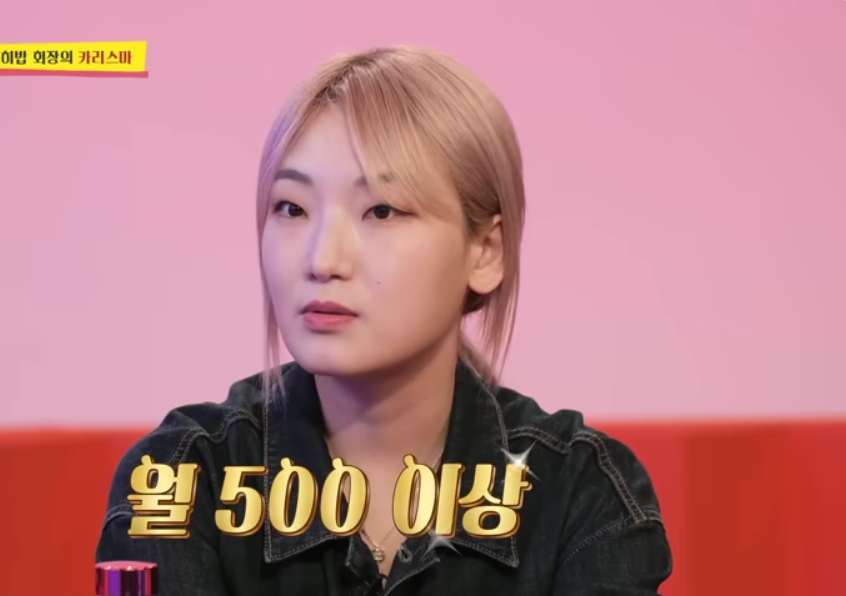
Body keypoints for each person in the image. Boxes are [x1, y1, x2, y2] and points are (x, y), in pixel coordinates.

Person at [95, 45, 672, 595]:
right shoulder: (182, 477)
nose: (322, 260)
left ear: (485, 251)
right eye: (292, 208)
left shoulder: (579, 493)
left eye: (381, 211)